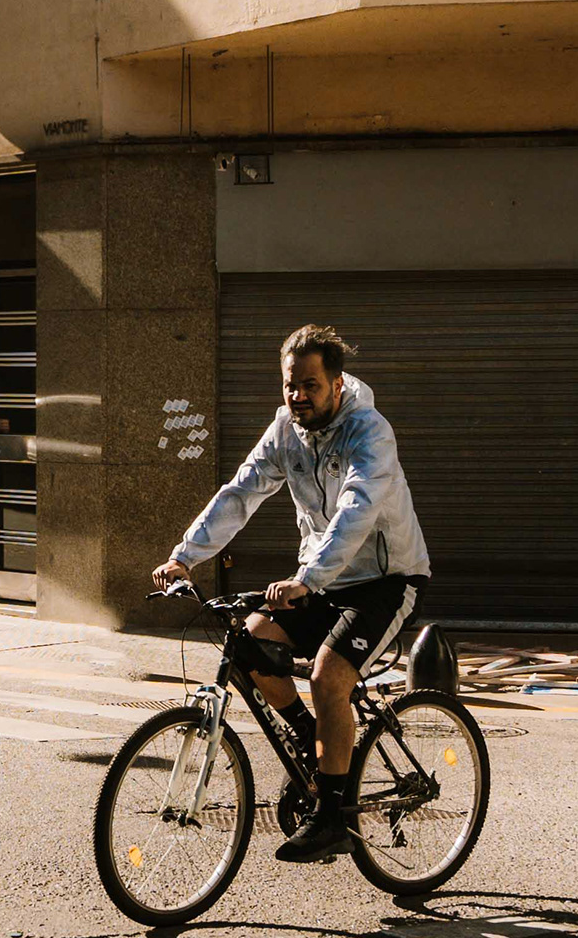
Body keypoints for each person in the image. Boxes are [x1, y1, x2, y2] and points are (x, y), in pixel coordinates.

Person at [151, 323, 434, 862]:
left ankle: (331, 817)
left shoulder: (369, 432)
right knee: (251, 642)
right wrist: (185, 556)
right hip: (320, 576)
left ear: (337, 382)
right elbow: (241, 491)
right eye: (289, 384)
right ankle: (310, 740)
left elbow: (356, 510)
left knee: (330, 677)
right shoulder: (287, 430)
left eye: (310, 384)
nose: (298, 395)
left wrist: (308, 579)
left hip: (384, 580)